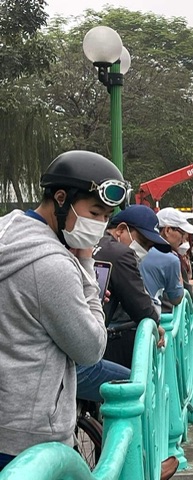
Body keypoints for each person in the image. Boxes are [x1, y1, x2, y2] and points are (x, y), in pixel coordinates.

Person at [0, 150, 125, 469]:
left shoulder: (8, 230)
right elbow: (91, 348)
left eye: (106, 217)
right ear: (60, 198)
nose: (100, 225)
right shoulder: (53, 266)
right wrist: (85, 264)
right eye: (95, 212)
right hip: (31, 441)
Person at [93, 204, 170, 370]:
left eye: (149, 247)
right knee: (138, 388)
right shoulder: (120, 254)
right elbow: (140, 306)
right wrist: (156, 325)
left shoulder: (93, 244)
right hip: (90, 348)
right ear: (121, 230)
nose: (144, 250)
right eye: (143, 242)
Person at [140, 207, 193, 314]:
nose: (183, 239)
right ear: (167, 230)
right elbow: (177, 298)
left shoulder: (139, 250)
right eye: (182, 233)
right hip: (158, 319)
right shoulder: (171, 259)